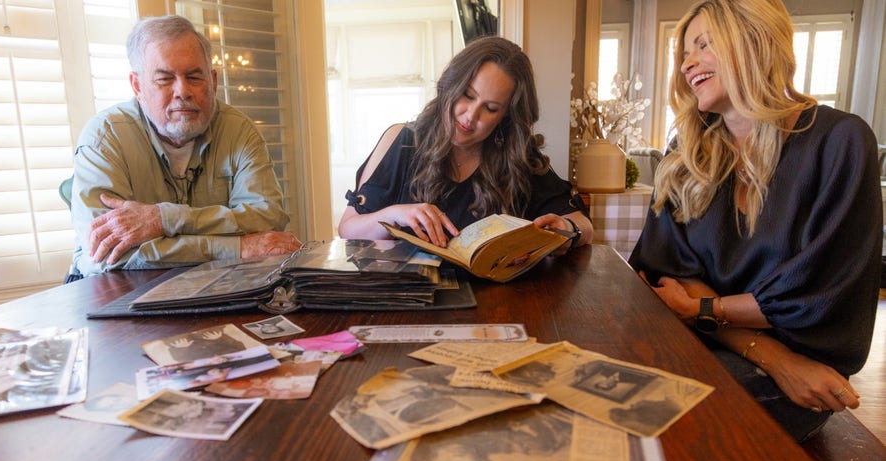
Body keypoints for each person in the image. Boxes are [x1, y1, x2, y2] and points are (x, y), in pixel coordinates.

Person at [628, 0, 882, 442]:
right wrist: (774, 357)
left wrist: (704, 310)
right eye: (685, 53)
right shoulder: (687, 155)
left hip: (800, 377)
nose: (687, 64)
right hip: (758, 358)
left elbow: (815, 297)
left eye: (703, 45)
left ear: (756, 40)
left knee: (647, 415)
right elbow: (669, 276)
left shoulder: (841, 141)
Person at [70, 15, 300, 277]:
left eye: (194, 77)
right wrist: (237, 247)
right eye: (165, 79)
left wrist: (164, 220)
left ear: (212, 81)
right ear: (137, 86)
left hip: (219, 285)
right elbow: (110, 256)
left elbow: (268, 220)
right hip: (117, 292)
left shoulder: (240, 131)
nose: (183, 91)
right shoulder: (104, 138)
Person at [337, 36, 592, 258]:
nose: (470, 116)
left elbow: (583, 225)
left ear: (505, 116)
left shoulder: (518, 157)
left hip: (497, 304)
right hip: (410, 302)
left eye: (490, 108)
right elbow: (348, 229)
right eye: (467, 95)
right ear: (450, 86)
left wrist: (567, 231)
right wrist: (395, 215)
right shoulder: (401, 140)